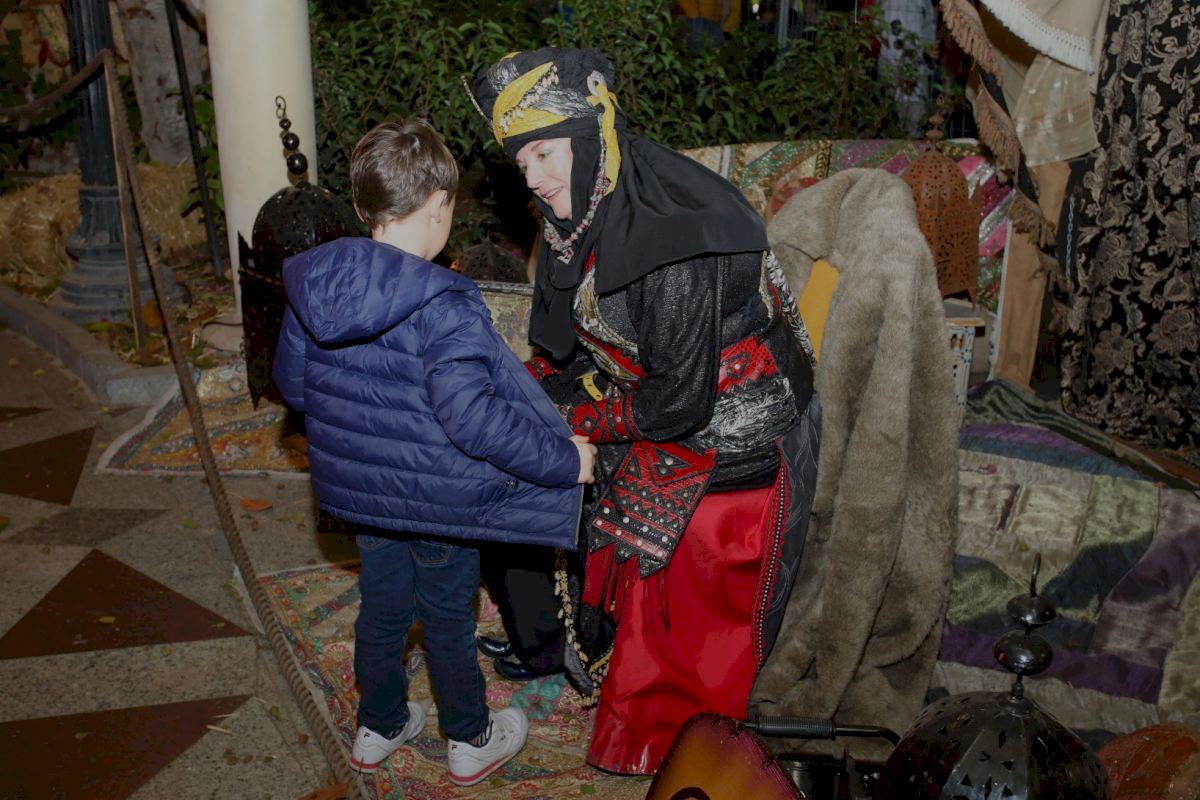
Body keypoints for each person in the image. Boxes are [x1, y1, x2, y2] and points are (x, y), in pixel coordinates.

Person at [470, 48, 821, 775]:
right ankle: (552, 639)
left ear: (590, 135)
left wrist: (578, 423)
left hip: (736, 425)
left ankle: (680, 730)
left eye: (544, 152)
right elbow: (570, 342)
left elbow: (679, 401)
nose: (532, 177)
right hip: (658, 392)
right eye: (521, 160)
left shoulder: (672, 242)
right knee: (510, 454)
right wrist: (533, 391)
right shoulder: (586, 201)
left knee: (658, 537)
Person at [271, 118, 596, 784]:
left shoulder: (316, 283)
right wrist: (566, 461)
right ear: (440, 206)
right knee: (448, 614)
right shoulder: (445, 301)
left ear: (364, 206)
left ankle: (378, 724)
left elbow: (293, 386)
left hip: (364, 494)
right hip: (439, 500)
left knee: (383, 605)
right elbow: (473, 421)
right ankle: (471, 736)